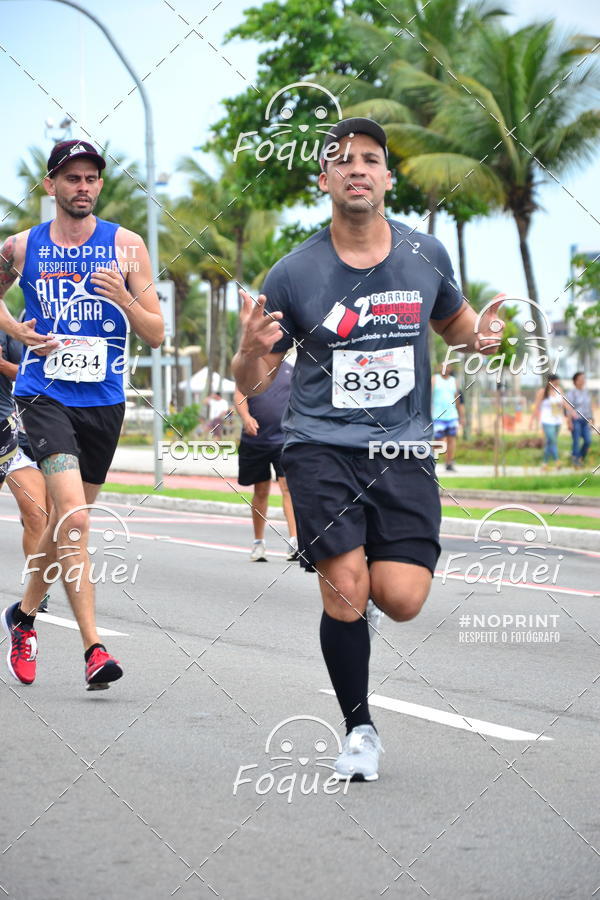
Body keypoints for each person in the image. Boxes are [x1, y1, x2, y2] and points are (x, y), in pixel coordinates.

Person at [232, 117, 503, 781]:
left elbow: (457, 327)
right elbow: (257, 378)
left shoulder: (425, 254)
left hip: (404, 452)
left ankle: (358, 580)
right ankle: (359, 730)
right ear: (324, 180)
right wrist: (244, 355)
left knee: (402, 598)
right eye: (344, 160)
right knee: (346, 591)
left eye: (371, 159)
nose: (358, 168)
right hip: (321, 447)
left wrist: (485, 338)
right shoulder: (294, 273)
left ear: (387, 178)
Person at [0, 138, 164, 689]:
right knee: (75, 518)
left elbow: (158, 333)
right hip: (43, 393)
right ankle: (94, 648)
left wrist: (125, 298)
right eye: (72, 178)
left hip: (104, 401)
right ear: (50, 186)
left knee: (68, 525)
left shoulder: (128, 247)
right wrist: (14, 328)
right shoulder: (22, 247)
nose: (84, 187)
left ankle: (22, 616)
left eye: (92, 177)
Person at [0, 327, 51, 612]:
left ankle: (36, 590)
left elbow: (31, 373)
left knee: (36, 514)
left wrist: (5, 366)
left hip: (8, 428)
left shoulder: (10, 322)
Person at [234, 359, 298, 562]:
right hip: (256, 441)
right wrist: (246, 417)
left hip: (285, 440)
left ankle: (295, 542)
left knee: (288, 488)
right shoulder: (251, 367)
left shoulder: (291, 369)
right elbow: (239, 394)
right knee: (260, 491)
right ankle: (258, 543)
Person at [431, 362, 464, 471]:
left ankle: (449, 463)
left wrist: (461, 416)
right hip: (437, 416)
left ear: (450, 368)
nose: (445, 368)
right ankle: (430, 460)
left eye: (447, 366)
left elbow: (458, 399)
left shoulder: (454, 381)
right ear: (439, 367)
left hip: (452, 415)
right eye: (442, 366)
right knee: (439, 441)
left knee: (451, 440)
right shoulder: (434, 379)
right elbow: (428, 397)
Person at [531, 375, 566, 469]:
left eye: (558, 383)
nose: (556, 385)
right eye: (555, 383)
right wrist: (531, 421)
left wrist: (565, 408)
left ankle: (544, 463)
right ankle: (557, 461)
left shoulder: (559, 390)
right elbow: (536, 406)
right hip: (547, 420)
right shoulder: (542, 392)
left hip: (557, 420)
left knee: (550, 442)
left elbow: (564, 403)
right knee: (553, 441)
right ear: (550, 382)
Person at [565, 371, 594, 467]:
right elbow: (569, 408)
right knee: (576, 441)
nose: (583, 381)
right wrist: (569, 422)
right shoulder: (571, 393)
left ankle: (580, 457)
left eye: (584, 379)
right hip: (576, 420)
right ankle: (575, 460)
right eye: (581, 379)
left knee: (588, 441)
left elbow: (589, 407)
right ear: (575, 381)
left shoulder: (586, 393)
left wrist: (592, 418)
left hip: (585, 421)